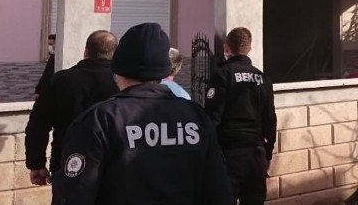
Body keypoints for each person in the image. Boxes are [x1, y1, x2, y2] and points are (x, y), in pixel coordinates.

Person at [52, 23, 233, 205]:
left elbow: (74, 194)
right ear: (164, 70)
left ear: (118, 68)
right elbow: (218, 191)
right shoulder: (196, 117)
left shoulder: (100, 120)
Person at [25, 30, 119, 187]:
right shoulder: (121, 83)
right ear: (115, 54)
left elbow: (38, 125)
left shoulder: (61, 80)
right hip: (112, 168)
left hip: (67, 164)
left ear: (86, 51)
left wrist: (36, 163)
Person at [205, 27, 277, 205]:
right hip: (256, 153)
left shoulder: (222, 76)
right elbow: (270, 119)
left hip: (229, 154)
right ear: (249, 49)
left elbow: (213, 119)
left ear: (226, 48)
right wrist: (268, 153)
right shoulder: (263, 78)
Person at [34, 33, 56, 98]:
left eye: (51, 44)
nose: (49, 47)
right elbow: (45, 75)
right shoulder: (51, 58)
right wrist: (38, 90)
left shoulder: (56, 59)